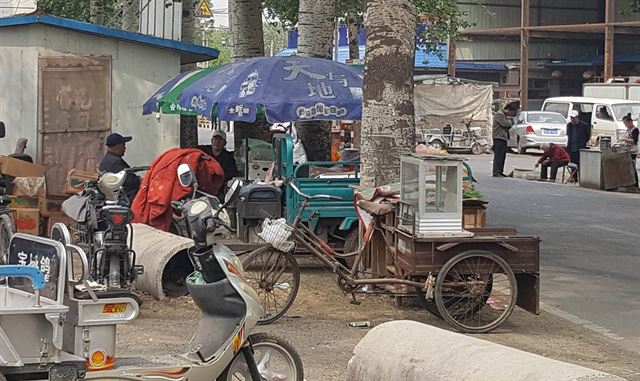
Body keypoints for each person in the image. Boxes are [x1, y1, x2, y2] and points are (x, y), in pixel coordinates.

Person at [99, 133, 141, 202]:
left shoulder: (108, 159)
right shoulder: (115, 162)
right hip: (126, 198)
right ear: (117, 147)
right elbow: (132, 181)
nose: (125, 148)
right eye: (123, 145)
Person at [492, 99, 519, 177]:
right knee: (498, 156)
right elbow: (506, 124)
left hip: (503, 138)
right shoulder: (499, 115)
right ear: (509, 110)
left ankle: (500, 171)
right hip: (498, 137)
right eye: (512, 112)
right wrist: (510, 121)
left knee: (502, 156)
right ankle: (496, 172)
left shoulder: (504, 115)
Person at [210, 130, 238, 198]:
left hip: (221, 189)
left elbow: (232, 174)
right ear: (211, 141)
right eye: (215, 139)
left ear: (225, 143)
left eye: (220, 140)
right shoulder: (206, 153)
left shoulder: (229, 158)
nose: (217, 142)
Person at [566, 109, 591, 181]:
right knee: (573, 163)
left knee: (580, 164)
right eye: (571, 118)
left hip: (580, 147)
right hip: (572, 146)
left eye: (573, 118)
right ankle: (574, 178)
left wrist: (582, 142)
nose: (572, 119)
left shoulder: (584, 125)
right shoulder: (569, 125)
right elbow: (569, 135)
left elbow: (587, 135)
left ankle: (581, 179)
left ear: (577, 117)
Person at [621, 113, 638, 187]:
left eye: (626, 123)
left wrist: (625, 139)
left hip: (633, 151)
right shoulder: (628, 130)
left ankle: (635, 183)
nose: (625, 125)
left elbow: (635, 141)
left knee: (632, 168)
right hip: (627, 150)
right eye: (624, 124)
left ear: (630, 122)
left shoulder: (635, 130)